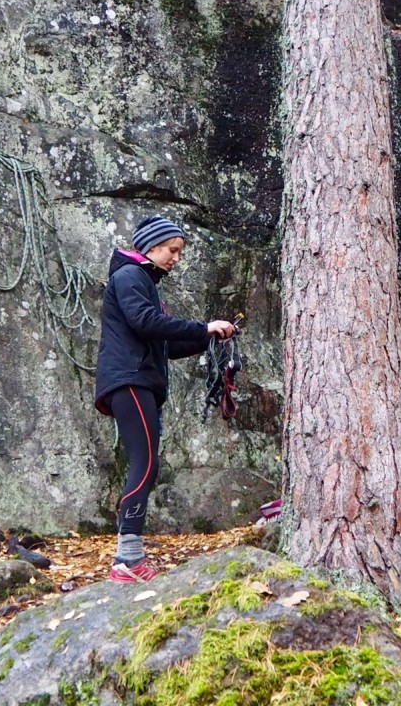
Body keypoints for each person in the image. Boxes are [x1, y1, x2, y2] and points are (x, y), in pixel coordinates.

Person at [95, 215, 236, 583]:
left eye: (178, 252)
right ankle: (127, 561)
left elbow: (165, 343)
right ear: (152, 246)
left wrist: (209, 337)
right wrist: (203, 327)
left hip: (136, 380)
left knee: (147, 463)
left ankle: (128, 557)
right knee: (144, 463)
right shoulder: (129, 277)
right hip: (130, 380)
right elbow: (145, 322)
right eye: (172, 250)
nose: (176, 258)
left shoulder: (141, 281)